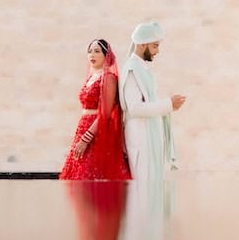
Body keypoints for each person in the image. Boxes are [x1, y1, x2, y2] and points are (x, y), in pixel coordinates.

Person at [118, 21, 185, 181]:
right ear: (142, 44)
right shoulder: (132, 70)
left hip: (147, 137)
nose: (157, 51)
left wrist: (169, 105)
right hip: (140, 139)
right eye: (155, 46)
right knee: (143, 189)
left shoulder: (142, 69)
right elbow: (134, 108)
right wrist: (168, 104)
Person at [59, 38, 132, 181]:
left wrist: (86, 138)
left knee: (91, 173)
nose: (92, 55)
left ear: (106, 55)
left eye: (97, 51)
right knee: (77, 173)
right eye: (90, 51)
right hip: (83, 127)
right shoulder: (92, 77)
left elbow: (105, 112)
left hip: (98, 131)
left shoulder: (109, 78)